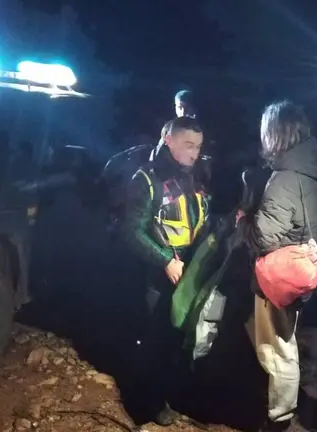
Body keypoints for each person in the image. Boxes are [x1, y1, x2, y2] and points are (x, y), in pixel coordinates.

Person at [237, 100, 317, 431]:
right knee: (272, 337)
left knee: (278, 350)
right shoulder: (314, 168)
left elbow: (264, 236)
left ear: (274, 134)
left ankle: (280, 417)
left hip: (278, 276)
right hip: (300, 273)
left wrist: (243, 220)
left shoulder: (285, 177)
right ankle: (282, 402)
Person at [122, 115, 209, 426]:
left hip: (189, 270)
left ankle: (173, 393)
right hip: (157, 276)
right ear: (168, 140)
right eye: (188, 145)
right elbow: (131, 232)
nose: (194, 153)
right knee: (154, 340)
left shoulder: (196, 176)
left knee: (180, 339)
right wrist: (164, 261)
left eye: (198, 146)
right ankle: (146, 405)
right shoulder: (145, 180)